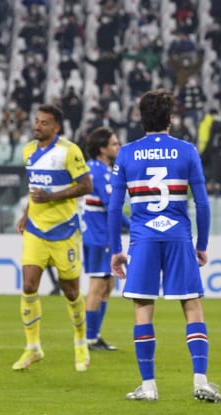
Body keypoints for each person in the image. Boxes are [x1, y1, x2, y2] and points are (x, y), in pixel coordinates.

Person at [108, 89, 221, 404]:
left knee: (143, 307)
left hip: (143, 238)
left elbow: (115, 209)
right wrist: (201, 244)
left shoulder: (127, 153)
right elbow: (202, 203)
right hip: (177, 236)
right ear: (170, 118)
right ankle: (200, 381)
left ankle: (148, 387)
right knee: (192, 306)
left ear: (140, 118)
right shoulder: (186, 151)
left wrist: (116, 249)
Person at [12, 104, 93, 372]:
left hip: (64, 230)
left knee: (70, 291)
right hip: (36, 228)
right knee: (29, 285)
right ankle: (32, 348)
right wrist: (26, 213)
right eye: (36, 121)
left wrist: (51, 198)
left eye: (44, 123)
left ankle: (81, 343)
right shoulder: (28, 151)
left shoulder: (69, 151)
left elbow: (86, 185)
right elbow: (33, 188)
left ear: (56, 127)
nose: (37, 126)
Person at [82, 127, 124, 351]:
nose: (118, 147)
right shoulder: (99, 172)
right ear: (102, 149)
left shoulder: (101, 170)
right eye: (114, 144)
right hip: (98, 237)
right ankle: (89, 339)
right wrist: (134, 223)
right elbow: (112, 208)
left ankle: (95, 335)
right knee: (97, 286)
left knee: (106, 285)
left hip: (100, 234)